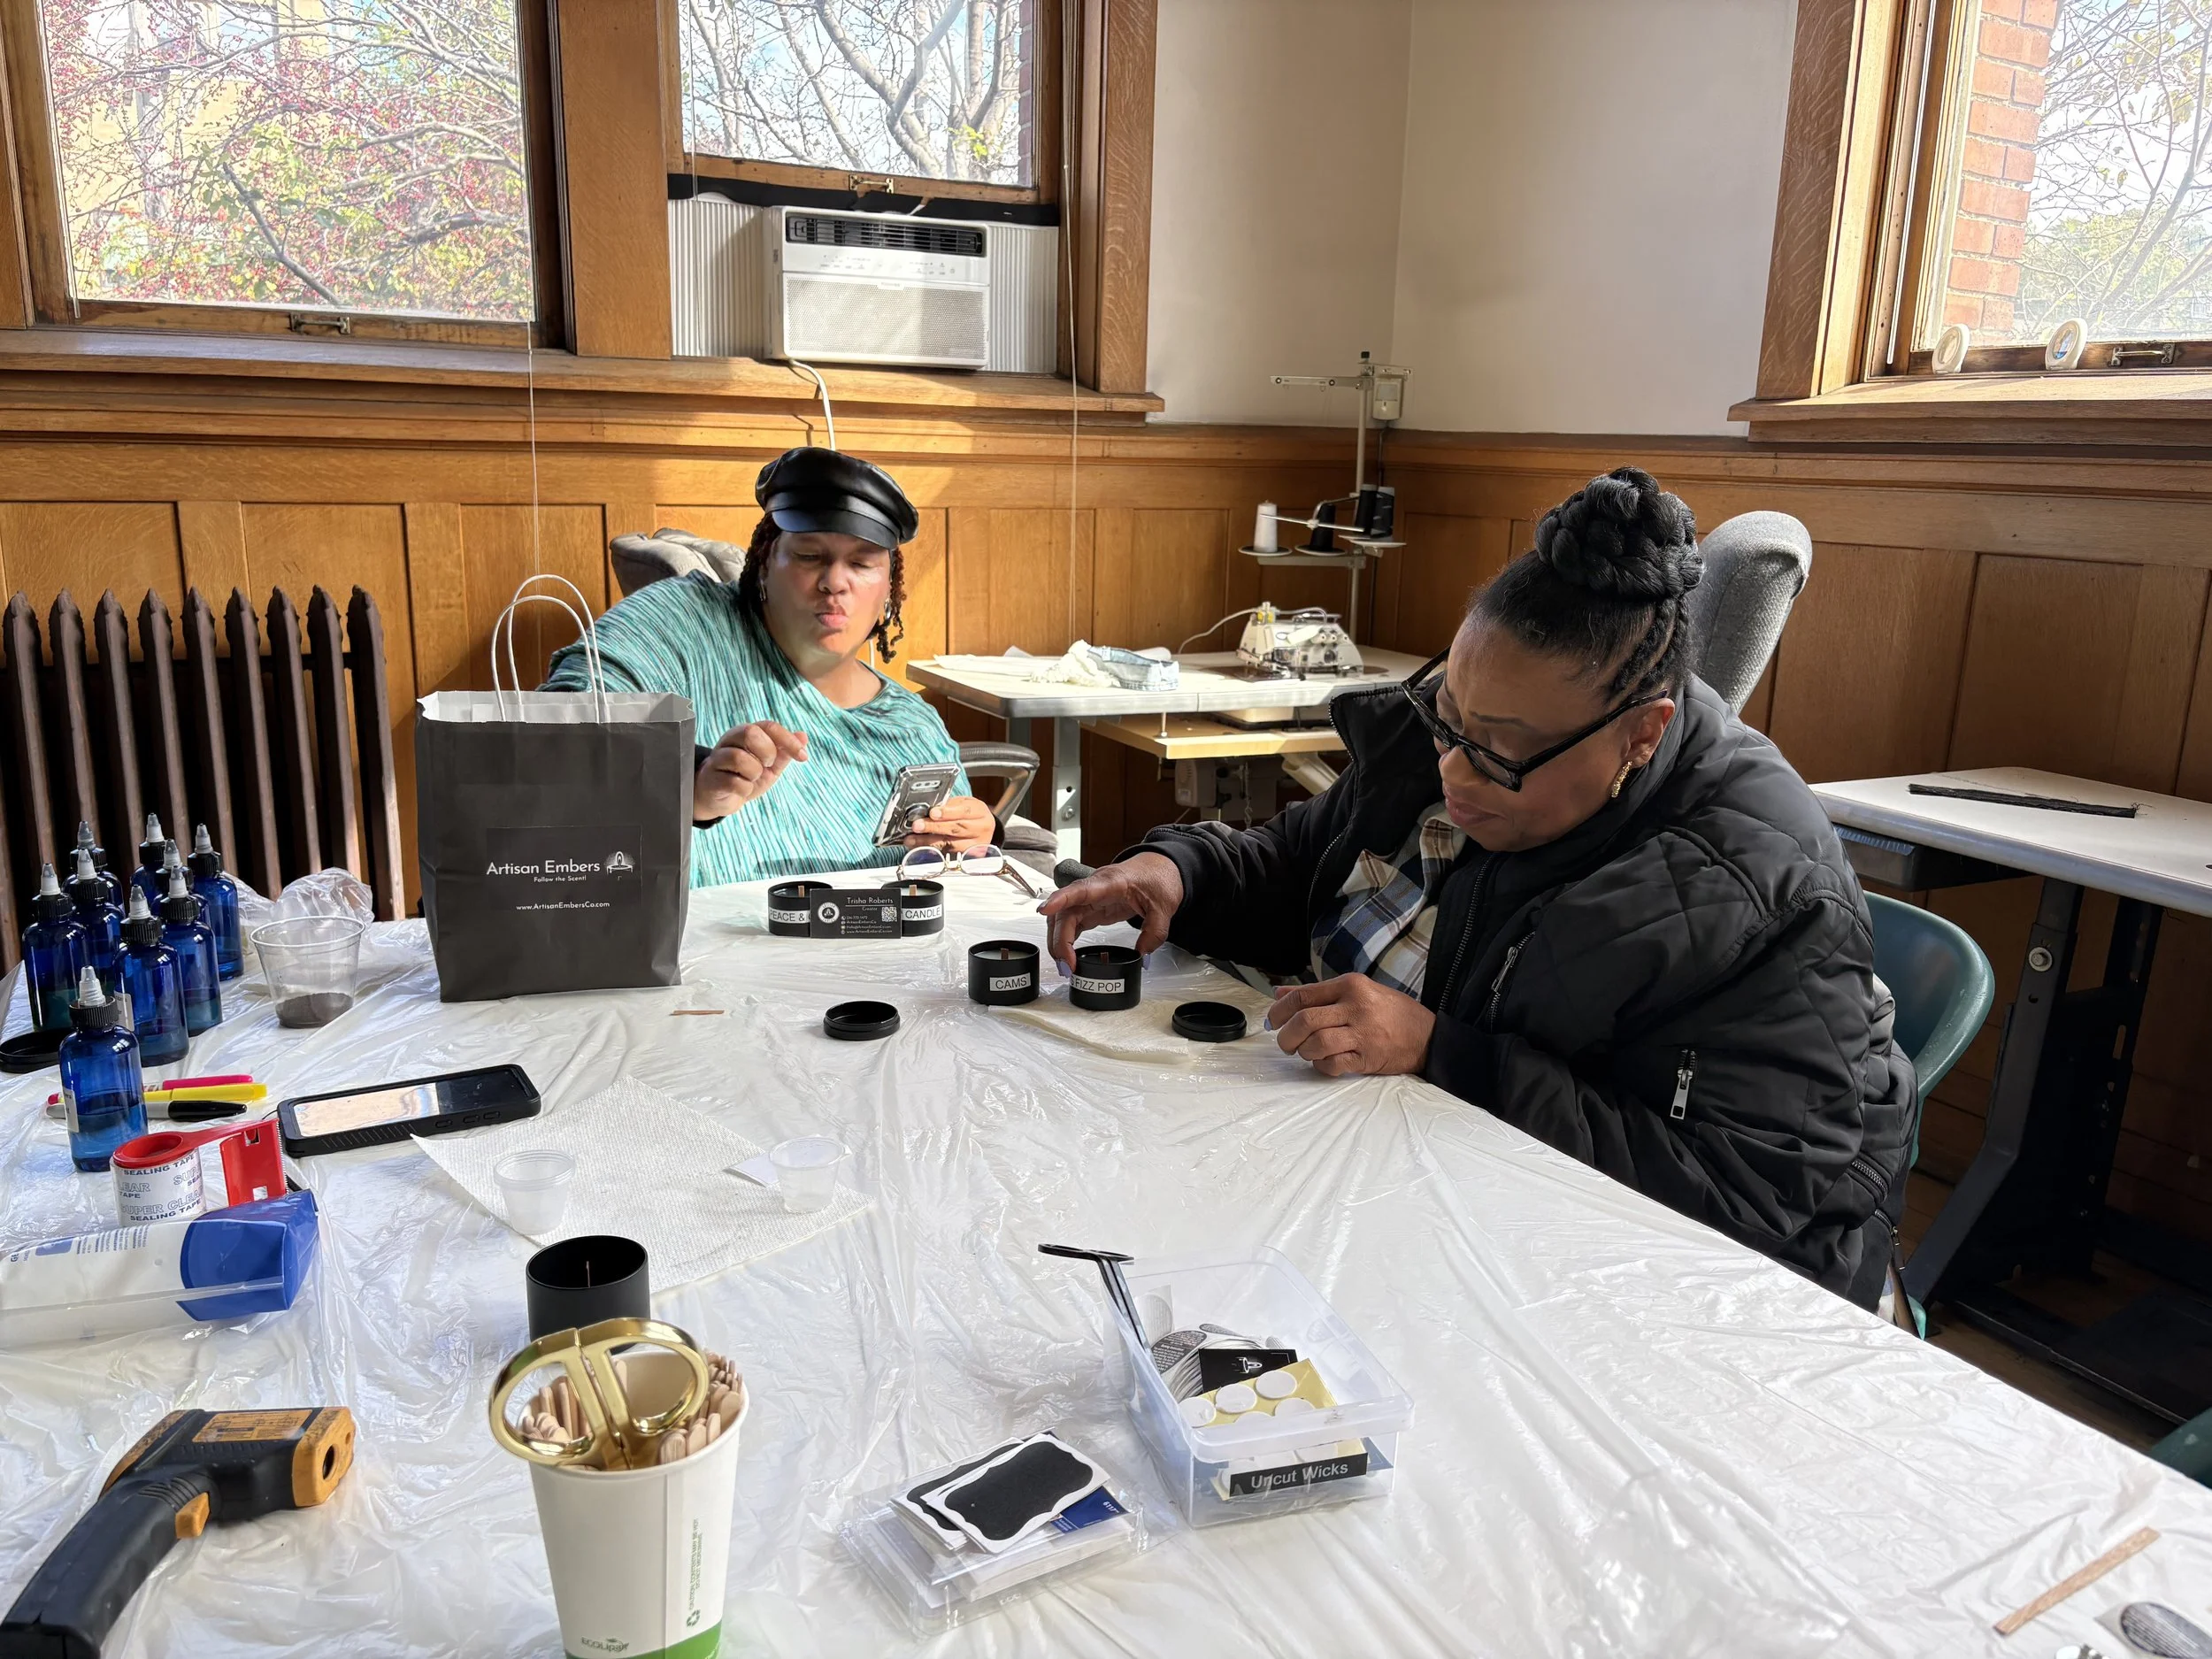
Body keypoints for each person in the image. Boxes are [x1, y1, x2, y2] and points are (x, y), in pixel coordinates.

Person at [1042, 468, 1915, 1306]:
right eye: (1446, 717)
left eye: (1496, 749)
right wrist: (1177, 871)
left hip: (1632, 1289)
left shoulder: (1758, 886)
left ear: (1642, 734)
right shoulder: (1458, 753)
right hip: (1400, 1185)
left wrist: (1445, 1054)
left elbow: (1762, 1208)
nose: (1453, 771)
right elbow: (1296, 861)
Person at [544, 447, 996, 885]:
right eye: (808, 556)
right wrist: (689, 785)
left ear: (889, 592)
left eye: (861, 563)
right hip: (703, 949)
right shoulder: (684, 622)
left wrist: (974, 840)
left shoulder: (915, 728)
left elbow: (946, 878)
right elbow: (561, 724)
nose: (835, 582)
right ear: (763, 564)